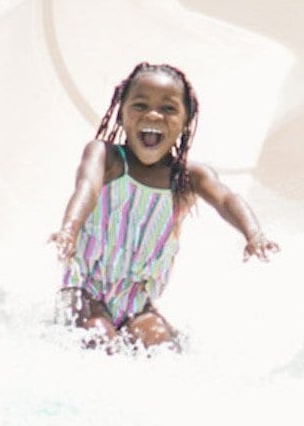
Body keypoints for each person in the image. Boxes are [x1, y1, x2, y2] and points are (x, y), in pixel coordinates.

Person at [49, 62, 279, 351]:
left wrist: (253, 234)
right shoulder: (106, 157)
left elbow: (225, 198)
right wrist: (69, 229)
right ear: (121, 114)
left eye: (169, 109)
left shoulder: (188, 178)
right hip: (84, 290)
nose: (153, 115)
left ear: (186, 122)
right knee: (97, 335)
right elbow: (87, 187)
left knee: (161, 345)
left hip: (137, 301)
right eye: (140, 105)